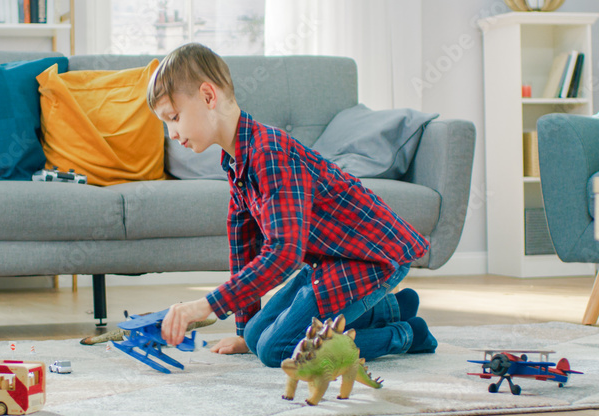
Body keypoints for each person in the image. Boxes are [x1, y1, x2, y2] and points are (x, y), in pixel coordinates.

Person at [150, 43, 437, 367]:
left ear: (208, 96)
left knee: (277, 349)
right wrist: (245, 331)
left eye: (173, 118)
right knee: (259, 337)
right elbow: (243, 244)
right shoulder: (235, 161)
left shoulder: (269, 153)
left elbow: (285, 253)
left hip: (373, 257)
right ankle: (391, 309)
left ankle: (405, 334)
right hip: (331, 261)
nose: (171, 133)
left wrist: (206, 306)